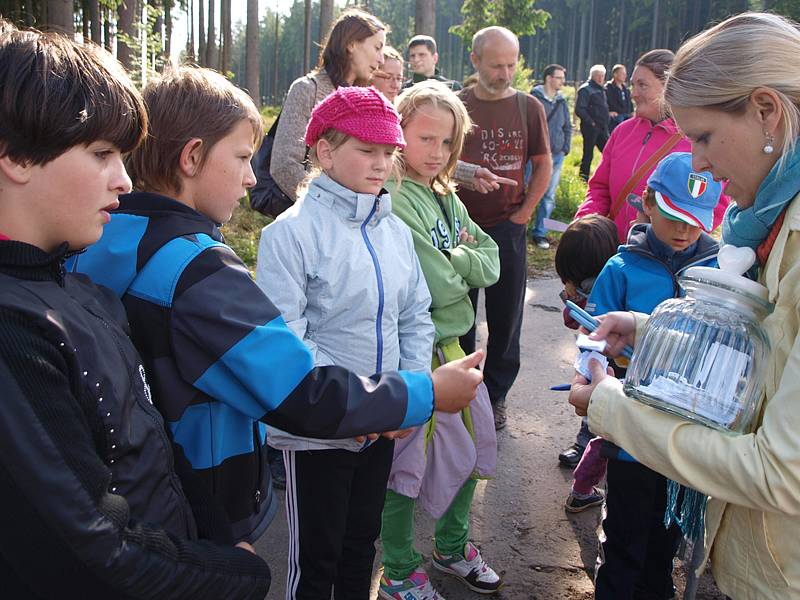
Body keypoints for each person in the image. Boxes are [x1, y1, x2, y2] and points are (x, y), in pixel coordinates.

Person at [71, 68, 484, 548]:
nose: (252, 177)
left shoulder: (97, 237)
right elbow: (294, 387)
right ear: (191, 158)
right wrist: (423, 393)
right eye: (244, 157)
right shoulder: (199, 270)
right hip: (198, 497)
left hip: (133, 497)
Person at [0, 22, 271, 597]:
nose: (124, 179)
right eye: (101, 153)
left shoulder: (80, 291)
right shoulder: (14, 332)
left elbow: (155, 446)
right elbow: (89, 548)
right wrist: (236, 574)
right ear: (16, 156)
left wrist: (214, 534)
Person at [568, 12, 800, 599]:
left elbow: (782, 472)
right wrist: (651, 334)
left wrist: (612, 407)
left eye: (702, 137)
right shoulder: (771, 218)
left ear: (767, 111)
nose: (696, 164)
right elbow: (776, 354)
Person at [256, 86, 435, 600]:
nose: (381, 165)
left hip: (383, 427)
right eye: (366, 150)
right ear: (324, 151)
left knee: (362, 544)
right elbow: (291, 340)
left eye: (388, 153)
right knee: (316, 557)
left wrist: (406, 393)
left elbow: (415, 316)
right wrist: (367, 405)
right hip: (319, 433)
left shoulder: (395, 232)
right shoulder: (289, 234)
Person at [379, 80, 502, 600]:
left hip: (456, 347)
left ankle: (452, 547)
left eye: (447, 142)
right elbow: (436, 284)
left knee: (475, 450)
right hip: (415, 352)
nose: (436, 153)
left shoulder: (446, 195)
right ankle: (400, 570)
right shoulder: (397, 197)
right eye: (424, 138)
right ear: (400, 132)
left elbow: (491, 261)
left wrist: (461, 261)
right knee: (405, 469)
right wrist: (462, 267)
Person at [580, 152, 722, 600]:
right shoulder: (620, 269)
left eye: (695, 220)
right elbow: (593, 341)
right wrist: (594, 375)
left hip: (686, 437)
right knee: (623, 536)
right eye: (674, 215)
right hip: (629, 435)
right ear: (648, 203)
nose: (683, 230)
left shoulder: (719, 274)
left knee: (664, 546)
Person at [457, 26, 553, 430]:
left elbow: (543, 162)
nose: (505, 73)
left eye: (512, 64)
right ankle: (459, 390)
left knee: (505, 317)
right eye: (497, 65)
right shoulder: (455, 105)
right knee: (457, 314)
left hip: (507, 229)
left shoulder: (529, 106)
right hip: (458, 228)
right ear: (475, 60)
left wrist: (524, 214)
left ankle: (495, 396)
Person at [574, 49, 730, 243]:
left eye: (642, 85)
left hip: (661, 260)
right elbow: (600, 188)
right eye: (632, 85)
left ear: (669, 88)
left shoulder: (696, 140)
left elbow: (715, 205)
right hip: (612, 252)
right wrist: (586, 223)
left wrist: (666, 238)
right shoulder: (623, 132)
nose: (633, 93)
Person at [270, 8, 387, 201]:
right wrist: (325, 204)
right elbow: (284, 165)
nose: (381, 59)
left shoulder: (364, 100)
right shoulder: (307, 90)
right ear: (351, 44)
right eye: (377, 47)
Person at [552, 215, 619, 470]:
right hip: (593, 356)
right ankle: (585, 444)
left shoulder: (611, 283)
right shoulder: (590, 286)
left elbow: (572, 320)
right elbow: (572, 321)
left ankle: (595, 449)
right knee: (592, 400)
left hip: (610, 358)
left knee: (599, 398)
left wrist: (577, 297)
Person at [530, 64, 572, 249]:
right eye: (559, 78)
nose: (562, 82)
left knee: (549, 196)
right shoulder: (533, 99)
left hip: (556, 155)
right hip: (535, 156)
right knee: (527, 191)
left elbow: (568, 126)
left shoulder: (562, 101)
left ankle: (540, 233)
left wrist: (565, 148)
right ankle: (519, 228)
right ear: (549, 78)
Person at [575, 64, 610, 181]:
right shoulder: (585, 89)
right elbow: (579, 109)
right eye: (598, 76)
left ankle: (606, 177)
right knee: (588, 154)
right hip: (590, 128)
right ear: (592, 76)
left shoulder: (602, 89)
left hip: (602, 127)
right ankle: (583, 179)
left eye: (602, 76)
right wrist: (591, 122)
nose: (601, 78)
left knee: (608, 152)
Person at [605, 64, 633, 133]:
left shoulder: (625, 89)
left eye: (625, 74)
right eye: (622, 73)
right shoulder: (608, 88)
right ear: (615, 74)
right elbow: (605, 103)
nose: (625, 76)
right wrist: (608, 112)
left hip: (626, 116)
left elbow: (629, 102)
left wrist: (632, 112)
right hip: (616, 118)